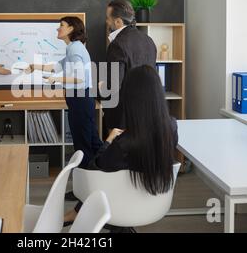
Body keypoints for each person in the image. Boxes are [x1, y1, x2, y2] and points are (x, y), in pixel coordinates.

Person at [64, 65, 178, 225]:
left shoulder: (124, 143)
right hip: (154, 201)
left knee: (102, 177)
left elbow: (94, 167)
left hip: (120, 204)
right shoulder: (171, 127)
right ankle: (76, 213)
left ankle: (75, 214)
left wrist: (109, 140)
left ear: (131, 100)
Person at [26, 17, 103, 168]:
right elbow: (57, 66)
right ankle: (101, 176)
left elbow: (79, 79)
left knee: (83, 146)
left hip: (80, 99)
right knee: (91, 141)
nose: (58, 28)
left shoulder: (75, 48)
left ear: (71, 29)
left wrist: (55, 80)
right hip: (82, 99)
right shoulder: (74, 47)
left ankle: (84, 187)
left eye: (61, 25)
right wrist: (34, 66)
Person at [100, 0, 157, 135]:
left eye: (108, 19)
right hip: (146, 113)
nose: (107, 22)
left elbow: (113, 85)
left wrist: (101, 86)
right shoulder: (148, 41)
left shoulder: (117, 45)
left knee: (119, 154)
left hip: (122, 118)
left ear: (118, 21)